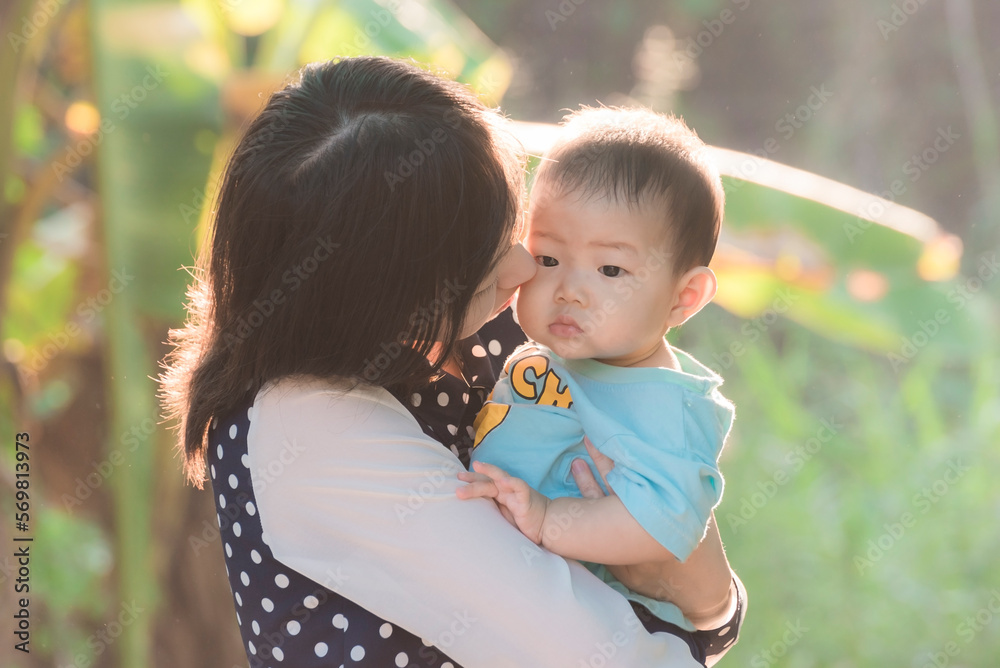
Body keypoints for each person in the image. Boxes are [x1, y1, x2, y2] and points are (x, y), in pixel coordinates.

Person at [160, 56, 743, 667]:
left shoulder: (480, 335)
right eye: (484, 263)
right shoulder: (309, 429)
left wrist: (707, 602)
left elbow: (684, 570)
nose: (522, 272)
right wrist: (697, 604)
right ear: (386, 304)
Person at [458, 107, 745, 660]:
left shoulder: (663, 402)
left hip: (622, 627)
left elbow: (664, 523)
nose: (570, 290)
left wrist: (547, 520)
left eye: (610, 271)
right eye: (548, 257)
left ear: (684, 298)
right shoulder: (555, 349)